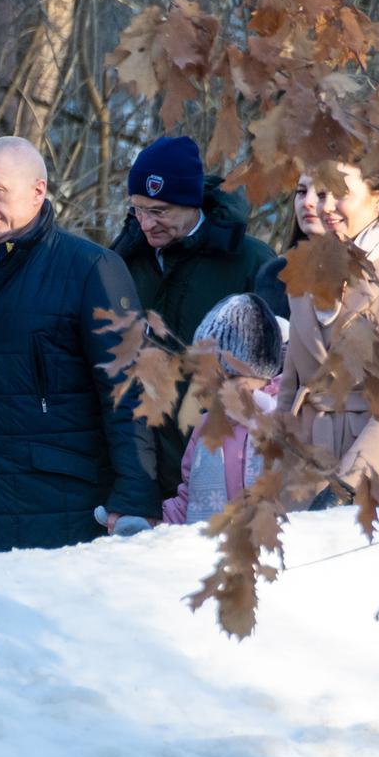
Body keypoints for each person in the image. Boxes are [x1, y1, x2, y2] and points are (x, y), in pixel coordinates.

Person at [0, 136, 158, 552]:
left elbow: (126, 394)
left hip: (56, 510)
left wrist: (134, 496)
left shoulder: (91, 268)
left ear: (38, 191)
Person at [110, 135, 278, 499]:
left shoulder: (250, 262)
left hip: (221, 463)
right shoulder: (122, 263)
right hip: (138, 466)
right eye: (138, 209)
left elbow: (277, 374)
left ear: (192, 203)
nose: (146, 223)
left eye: (160, 211)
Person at [278, 161, 379, 506]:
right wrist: (275, 465)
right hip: (304, 470)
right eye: (310, 193)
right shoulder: (302, 271)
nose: (320, 205)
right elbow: (291, 385)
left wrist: (346, 488)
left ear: (378, 199)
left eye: (336, 193)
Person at [162, 294, 284, 526]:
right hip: (213, 551)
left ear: (260, 371)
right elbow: (188, 498)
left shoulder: (283, 418)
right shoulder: (206, 428)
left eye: (231, 376)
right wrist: (153, 531)